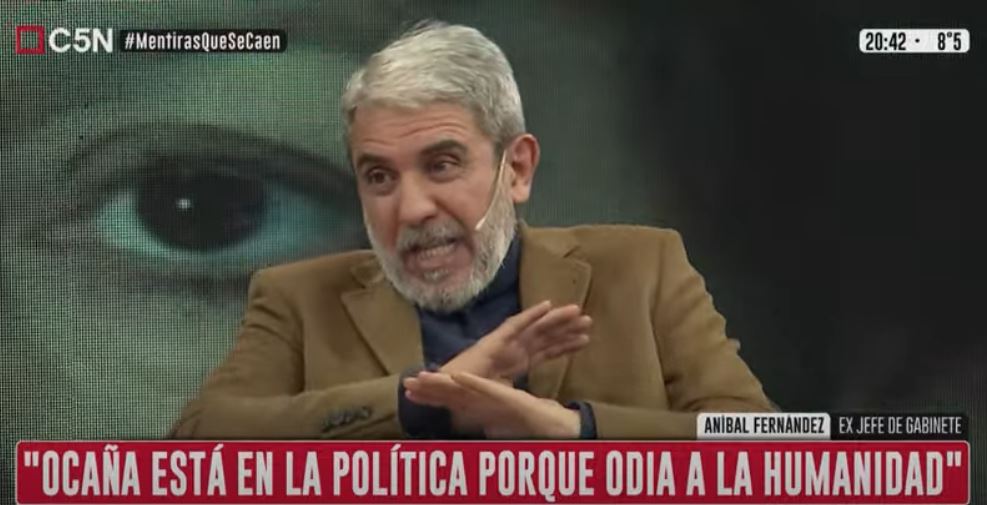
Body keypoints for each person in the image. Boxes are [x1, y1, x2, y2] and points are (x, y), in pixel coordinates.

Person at [171, 21, 772, 440]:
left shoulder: (643, 268)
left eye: (442, 165)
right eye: (378, 176)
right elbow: (195, 443)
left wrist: (577, 429)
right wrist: (423, 399)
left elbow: (760, 439)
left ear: (517, 169)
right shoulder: (299, 299)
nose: (410, 209)